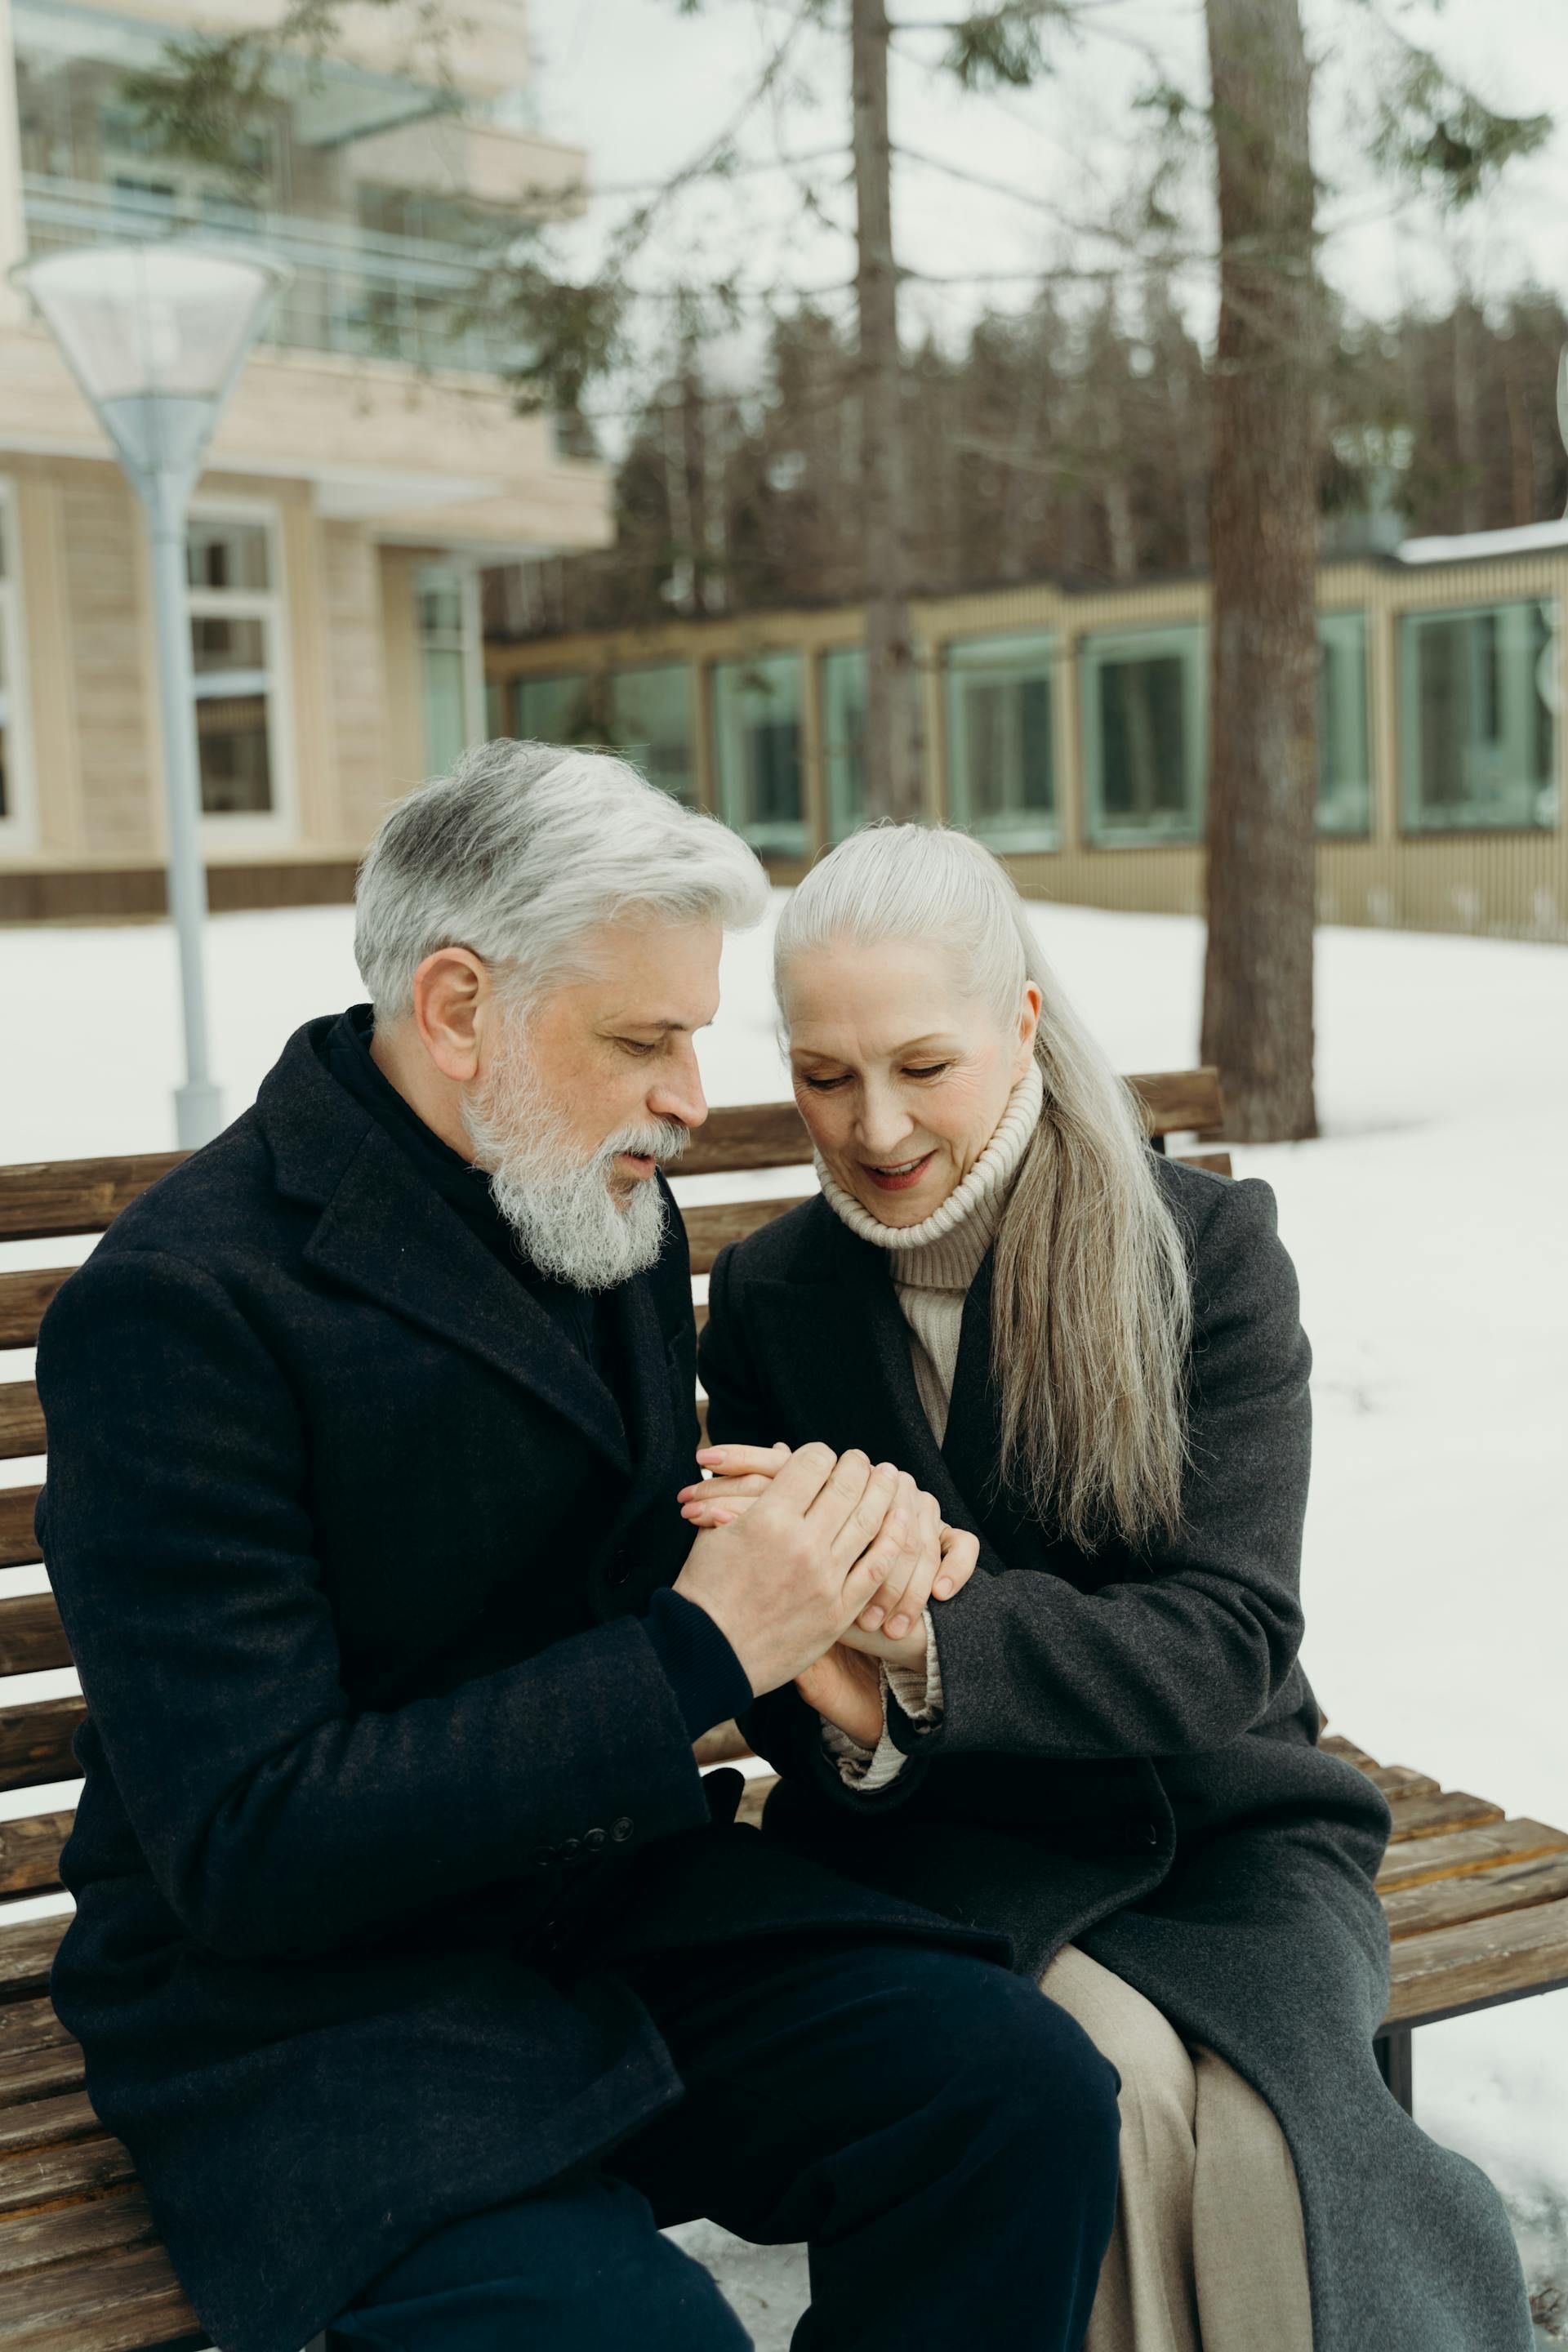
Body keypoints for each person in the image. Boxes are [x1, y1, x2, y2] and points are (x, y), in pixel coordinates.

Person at [35, 745, 1120, 2352]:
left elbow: (651, 1581)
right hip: (308, 2005)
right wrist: (704, 1644)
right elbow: (252, 1847)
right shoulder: (187, 1306)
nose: (692, 1093)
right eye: (645, 1039)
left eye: (692, 1033)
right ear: (460, 1007)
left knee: (1017, 2095)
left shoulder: (590, 1200)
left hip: (599, 1910)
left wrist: (838, 1596)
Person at [692, 822, 1534, 2352]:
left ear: (1019, 1023)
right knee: (1118, 2096)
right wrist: (859, 1720)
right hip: (948, 1843)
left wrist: (928, 1649)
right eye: (824, 1075)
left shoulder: (1201, 1256)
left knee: (1276, 2152)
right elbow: (794, 1693)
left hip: (1224, 1823)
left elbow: (1229, 1642)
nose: (872, 1127)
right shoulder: (769, 1300)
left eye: (921, 1066)